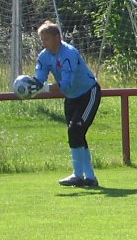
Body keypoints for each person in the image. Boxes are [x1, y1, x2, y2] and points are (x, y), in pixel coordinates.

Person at [32, 21, 101, 187]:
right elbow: (39, 79)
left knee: (75, 129)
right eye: (42, 40)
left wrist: (44, 89)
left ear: (57, 37)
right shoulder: (44, 56)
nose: (43, 43)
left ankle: (78, 175)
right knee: (76, 133)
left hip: (88, 93)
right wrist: (30, 87)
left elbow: (66, 83)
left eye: (46, 39)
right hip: (71, 97)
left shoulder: (69, 53)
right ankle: (90, 178)